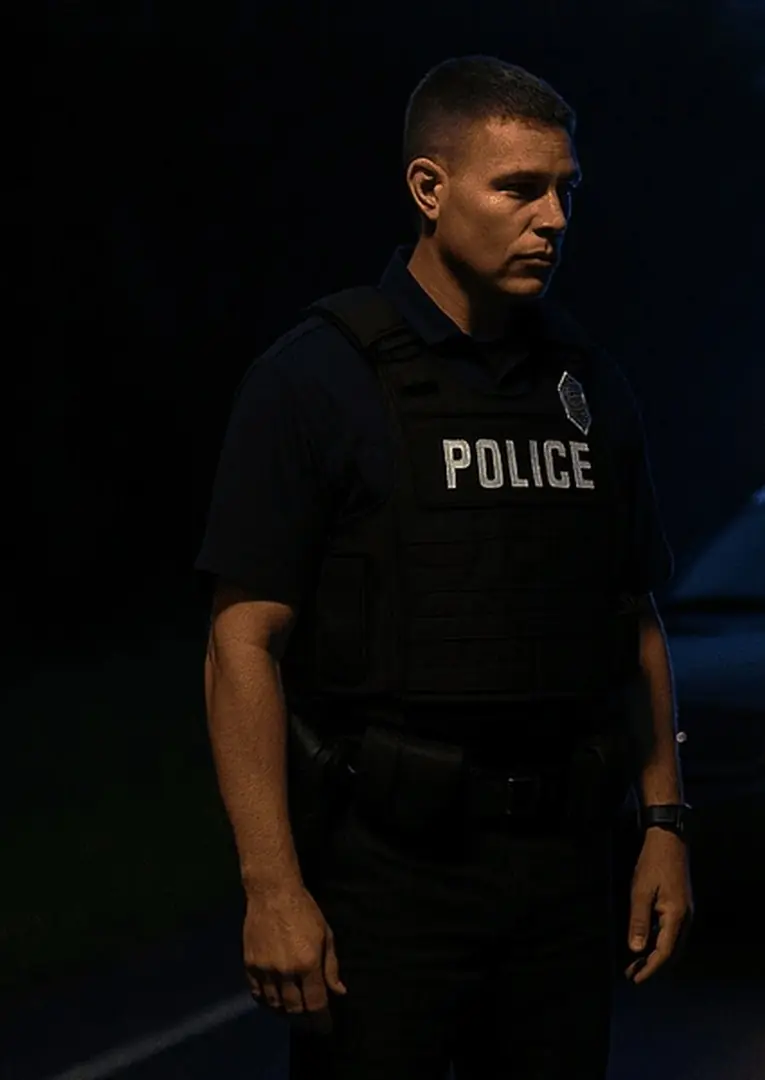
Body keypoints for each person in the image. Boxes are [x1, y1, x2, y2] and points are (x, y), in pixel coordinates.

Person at [196, 55, 692, 1078]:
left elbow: (632, 615)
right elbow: (241, 644)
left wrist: (664, 823)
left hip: (561, 869)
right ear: (430, 188)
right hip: (388, 869)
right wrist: (272, 888)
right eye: (519, 189)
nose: (553, 219)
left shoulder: (589, 383)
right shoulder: (317, 378)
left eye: (566, 191)